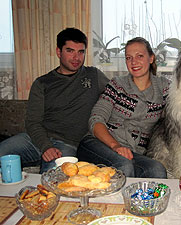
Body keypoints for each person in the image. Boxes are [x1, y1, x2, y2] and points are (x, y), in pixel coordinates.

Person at [0, 27, 109, 173]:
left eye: (80, 52)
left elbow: (118, 93)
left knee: (55, 177)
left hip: (67, 145)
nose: (76, 58)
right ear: (59, 52)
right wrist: (46, 146)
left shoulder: (93, 76)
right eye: (70, 51)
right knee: (2, 151)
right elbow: (32, 122)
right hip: (35, 140)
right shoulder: (42, 83)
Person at [77, 37, 170, 178]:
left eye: (140, 56)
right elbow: (96, 120)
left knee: (157, 169)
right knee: (124, 165)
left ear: (151, 58)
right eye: (128, 58)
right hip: (98, 144)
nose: (134, 62)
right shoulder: (117, 85)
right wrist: (115, 146)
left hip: (133, 152)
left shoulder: (164, 87)